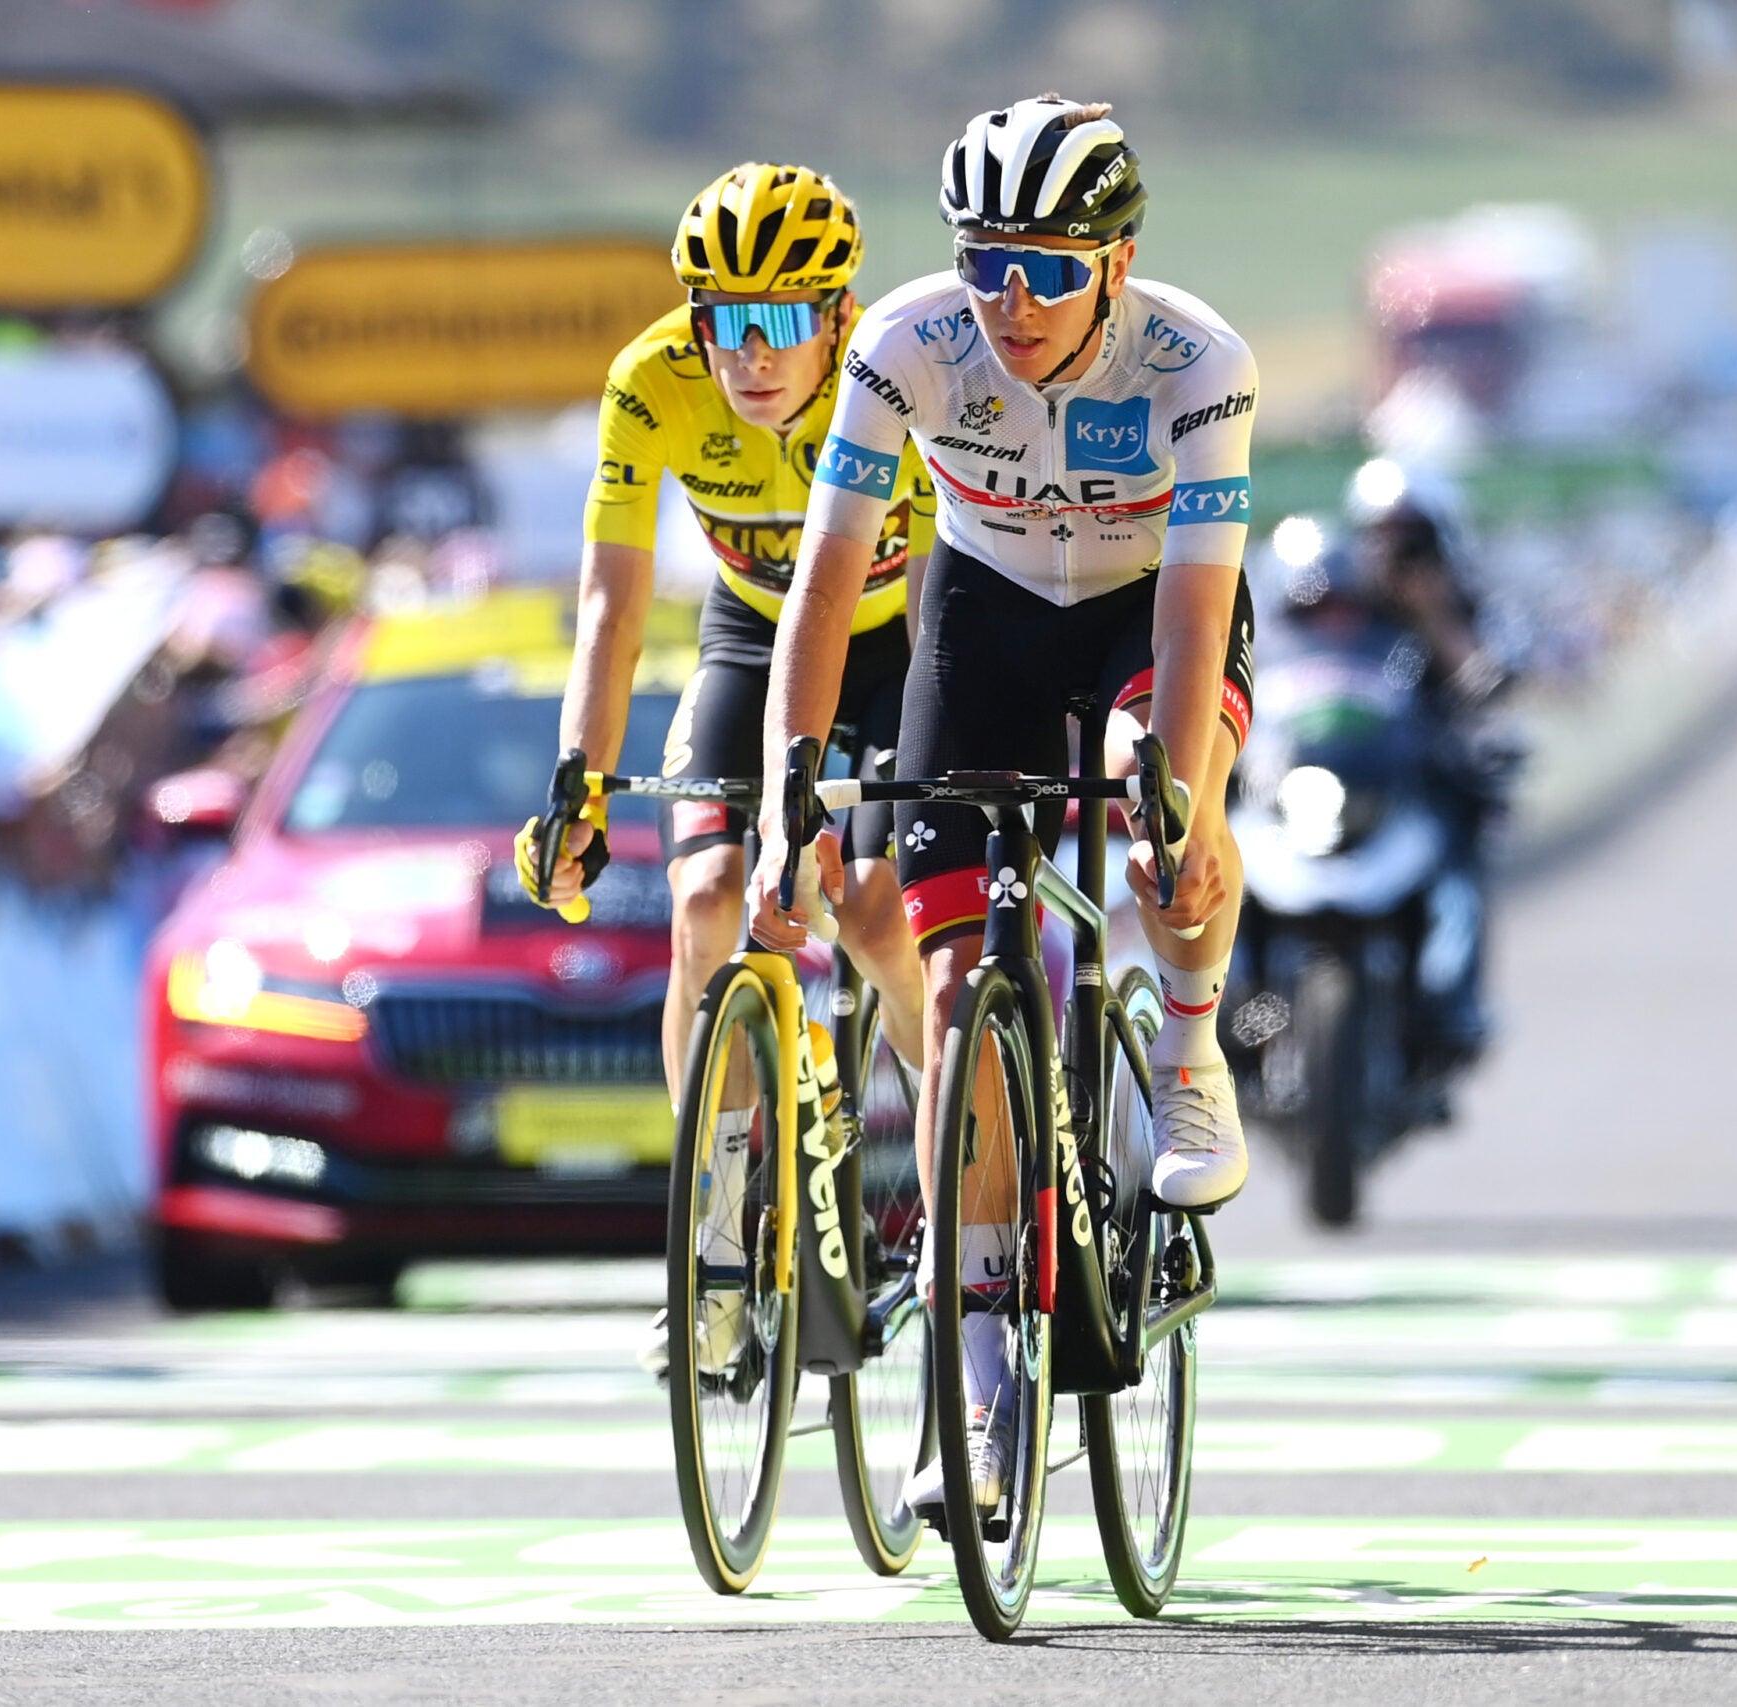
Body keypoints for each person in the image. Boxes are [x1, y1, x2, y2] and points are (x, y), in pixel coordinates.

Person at [748, 96, 1260, 1510]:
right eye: (986, 260)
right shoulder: (905, 342)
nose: (1011, 299)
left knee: (1165, 811)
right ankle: (979, 1410)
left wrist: (1177, 788)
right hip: (981, 605)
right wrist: (795, 771)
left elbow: (1201, 604)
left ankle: (1191, 1056)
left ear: (1117, 257)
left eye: (1046, 264)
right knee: (965, 977)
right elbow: (833, 569)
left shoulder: (1198, 361)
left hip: (1148, 607)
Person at [514, 163, 935, 1374]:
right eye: (721, 321)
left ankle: (959, 1131)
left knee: (866, 906)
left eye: (778, 321)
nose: (747, 354)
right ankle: (715, 1237)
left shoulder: (889, 384)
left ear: (839, 318)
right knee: (703, 903)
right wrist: (574, 782)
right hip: (754, 634)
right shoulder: (651, 385)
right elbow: (610, 605)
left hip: (904, 638)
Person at [1291, 459, 1510, 1065]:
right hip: (1328, 775)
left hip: (1416, 784)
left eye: (1411, 537)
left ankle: (1449, 1005)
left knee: (1457, 869)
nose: (1393, 551)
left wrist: (1432, 611)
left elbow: (1483, 679)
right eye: (1380, 534)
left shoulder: (1456, 603)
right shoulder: (1331, 599)